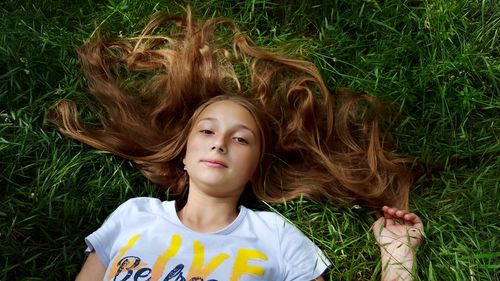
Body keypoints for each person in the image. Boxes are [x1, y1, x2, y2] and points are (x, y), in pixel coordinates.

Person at [48, 7, 424, 281]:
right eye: (207, 132)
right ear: (184, 154)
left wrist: (398, 256)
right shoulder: (134, 217)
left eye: (241, 138)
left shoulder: (275, 238)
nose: (220, 144)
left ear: (255, 165)